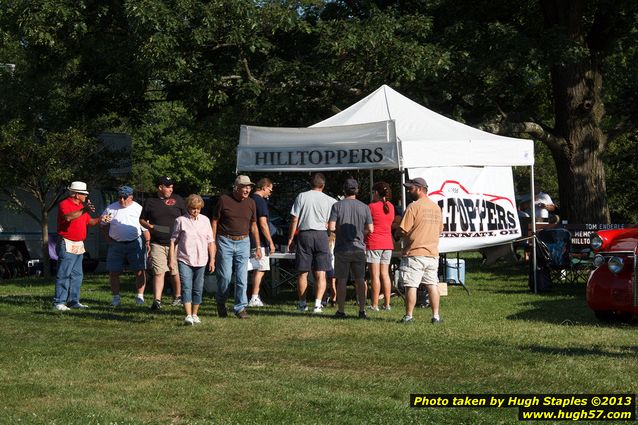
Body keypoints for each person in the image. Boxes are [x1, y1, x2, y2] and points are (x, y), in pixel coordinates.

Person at [211, 175, 261, 319]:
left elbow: (253, 225)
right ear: (236, 187)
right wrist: (212, 242)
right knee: (225, 277)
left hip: (244, 241)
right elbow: (214, 221)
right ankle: (221, 303)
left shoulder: (251, 203)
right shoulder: (223, 200)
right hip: (224, 241)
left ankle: (240, 308)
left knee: (242, 277)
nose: (247, 189)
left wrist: (257, 246)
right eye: (244, 186)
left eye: (249, 187)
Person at [394, 177, 443, 324]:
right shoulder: (436, 207)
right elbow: (440, 230)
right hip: (432, 253)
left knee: (411, 285)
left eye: (411, 188)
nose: (408, 191)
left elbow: (403, 229)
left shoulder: (413, 206)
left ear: (420, 189)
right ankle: (436, 316)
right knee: (432, 285)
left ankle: (409, 316)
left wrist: (396, 235)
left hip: (414, 253)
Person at [286, 173, 336, 313]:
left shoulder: (302, 196)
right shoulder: (330, 200)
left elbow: (294, 219)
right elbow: (333, 223)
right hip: (322, 235)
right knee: (321, 272)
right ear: (323, 185)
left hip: (304, 234)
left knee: (303, 272)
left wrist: (291, 238)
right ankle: (318, 304)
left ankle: (302, 304)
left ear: (310, 184)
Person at [52, 181, 106, 310]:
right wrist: (84, 210)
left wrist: (100, 219)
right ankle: (59, 302)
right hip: (67, 242)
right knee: (64, 273)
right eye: (83, 194)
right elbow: (68, 218)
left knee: (77, 275)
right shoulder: (65, 204)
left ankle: (73, 301)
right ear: (76, 194)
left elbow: (90, 222)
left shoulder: (82, 206)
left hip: (78, 243)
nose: (85, 196)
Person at [139, 176, 187, 310]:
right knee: (159, 272)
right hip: (157, 243)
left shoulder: (178, 199)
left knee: (174, 271)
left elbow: (186, 218)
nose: (171, 189)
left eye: (172, 187)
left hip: (176, 243)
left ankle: (177, 297)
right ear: (160, 187)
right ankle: (157, 300)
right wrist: (151, 227)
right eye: (168, 187)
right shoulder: (150, 201)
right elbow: (142, 220)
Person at [328, 178, 373, 319]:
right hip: (359, 247)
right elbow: (370, 229)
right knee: (360, 280)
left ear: (344, 190)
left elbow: (331, 227)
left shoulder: (337, 206)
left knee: (341, 280)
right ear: (357, 190)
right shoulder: (365, 207)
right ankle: (362, 310)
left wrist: (338, 232)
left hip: (342, 248)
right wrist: (360, 232)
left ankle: (341, 310)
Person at [169, 194, 215, 325]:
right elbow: (173, 241)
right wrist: (171, 259)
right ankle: (188, 315)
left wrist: (212, 259)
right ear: (188, 207)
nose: (196, 211)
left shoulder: (205, 220)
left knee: (198, 287)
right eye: (193, 208)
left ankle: (195, 314)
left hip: (202, 259)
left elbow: (210, 241)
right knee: (186, 286)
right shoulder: (180, 221)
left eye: (198, 208)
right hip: (185, 258)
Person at [101, 185, 149, 307]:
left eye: (124, 197)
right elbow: (103, 224)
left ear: (131, 197)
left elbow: (145, 227)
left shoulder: (138, 208)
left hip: (135, 242)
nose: (121, 200)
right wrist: (108, 239)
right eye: (119, 197)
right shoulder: (111, 208)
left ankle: (140, 297)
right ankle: (116, 298)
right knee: (114, 271)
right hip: (116, 244)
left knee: (139, 270)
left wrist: (147, 241)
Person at [366, 181, 395, 312]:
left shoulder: (371, 207)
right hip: (388, 243)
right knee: (385, 274)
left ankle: (374, 304)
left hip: (374, 243)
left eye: (373, 192)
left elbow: (366, 225)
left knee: (375, 276)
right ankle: (387, 304)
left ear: (376, 193)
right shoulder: (391, 207)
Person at [247, 178, 276, 308]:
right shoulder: (261, 202)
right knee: (260, 268)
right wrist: (270, 242)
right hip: (259, 242)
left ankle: (251, 296)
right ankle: (254, 297)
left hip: (247, 239)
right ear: (264, 187)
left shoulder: (249, 199)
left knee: (252, 269)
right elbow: (263, 224)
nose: (271, 192)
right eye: (270, 189)